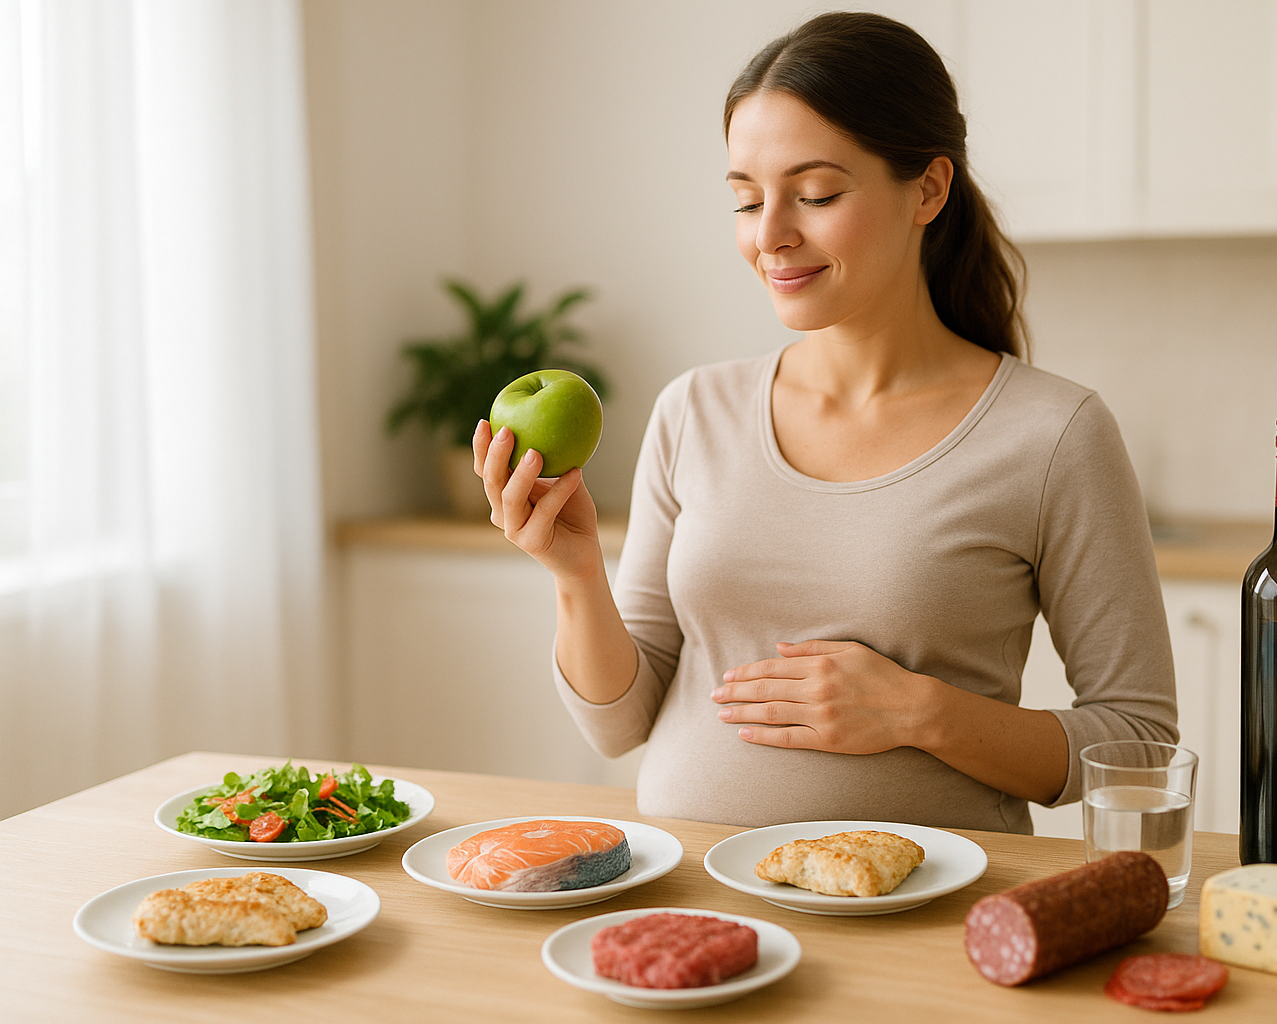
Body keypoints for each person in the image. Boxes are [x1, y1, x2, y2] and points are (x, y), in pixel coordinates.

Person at [472, 11, 1176, 833]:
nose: (769, 236)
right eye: (745, 200)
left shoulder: (1054, 434)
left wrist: (921, 713)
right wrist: (575, 575)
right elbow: (619, 725)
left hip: (921, 922)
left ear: (929, 188)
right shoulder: (694, 411)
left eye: (816, 194)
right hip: (692, 902)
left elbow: (1139, 744)